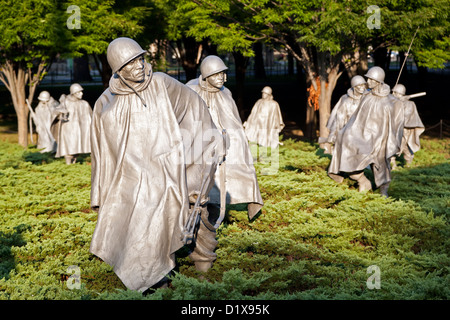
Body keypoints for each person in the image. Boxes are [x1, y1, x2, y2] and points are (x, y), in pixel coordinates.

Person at [89, 37, 224, 291]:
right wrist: (101, 191)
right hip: (128, 178)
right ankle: (151, 278)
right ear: (118, 70)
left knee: (190, 204)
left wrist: (209, 143)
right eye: (130, 63)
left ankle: (196, 261)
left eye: (140, 58)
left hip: (167, 170)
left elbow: (194, 109)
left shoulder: (162, 83)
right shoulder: (105, 103)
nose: (139, 65)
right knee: (133, 221)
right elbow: (101, 153)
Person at [186, 55, 263, 269]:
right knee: (201, 191)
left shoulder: (225, 93)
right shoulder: (191, 92)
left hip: (225, 150)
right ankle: (201, 232)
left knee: (221, 187)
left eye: (223, 73)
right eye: (217, 74)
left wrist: (232, 144)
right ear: (206, 75)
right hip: (199, 153)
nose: (223, 78)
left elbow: (234, 124)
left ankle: (212, 225)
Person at [328, 66, 400, 197]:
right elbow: (356, 119)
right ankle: (363, 181)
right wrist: (344, 132)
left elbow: (396, 125)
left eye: (371, 79)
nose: (368, 82)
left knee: (381, 165)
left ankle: (383, 190)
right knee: (348, 153)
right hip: (363, 136)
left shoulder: (390, 101)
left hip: (380, 138)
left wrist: (395, 142)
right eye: (368, 79)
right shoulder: (366, 96)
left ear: (379, 81)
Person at [243, 86, 285, 160]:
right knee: (256, 139)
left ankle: (264, 157)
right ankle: (253, 157)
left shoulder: (274, 104)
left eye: (265, 93)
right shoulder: (259, 102)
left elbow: (276, 116)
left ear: (269, 94)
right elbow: (253, 114)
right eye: (263, 93)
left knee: (265, 140)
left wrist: (276, 125)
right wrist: (249, 123)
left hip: (267, 125)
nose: (263, 94)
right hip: (258, 124)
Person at [55, 83, 92, 164]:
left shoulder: (84, 104)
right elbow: (55, 113)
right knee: (70, 146)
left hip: (80, 129)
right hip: (69, 128)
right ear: (73, 93)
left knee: (77, 145)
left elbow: (91, 117)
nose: (81, 93)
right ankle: (68, 164)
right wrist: (60, 114)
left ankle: (74, 162)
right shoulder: (65, 102)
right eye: (78, 92)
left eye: (81, 92)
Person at [389, 84, 425, 168]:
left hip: (404, 130)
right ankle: (393, 166)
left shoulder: (410, 104)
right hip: (392, 129)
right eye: (393, 92)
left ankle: (408, 165)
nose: (393, 94)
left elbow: (406, 116)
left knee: (403, 147)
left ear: (400, 94)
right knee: (391, 147)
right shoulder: (392, 102)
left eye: (395, 93)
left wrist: (401, 103)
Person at [325, 75, 367, 147]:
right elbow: (338, 118)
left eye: (364, 85)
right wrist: (332, 133)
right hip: (348, 135)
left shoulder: (368, 99)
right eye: (360, 85)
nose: (363, 87)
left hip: (364, 135)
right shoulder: (346, 100)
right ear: (354, 87)